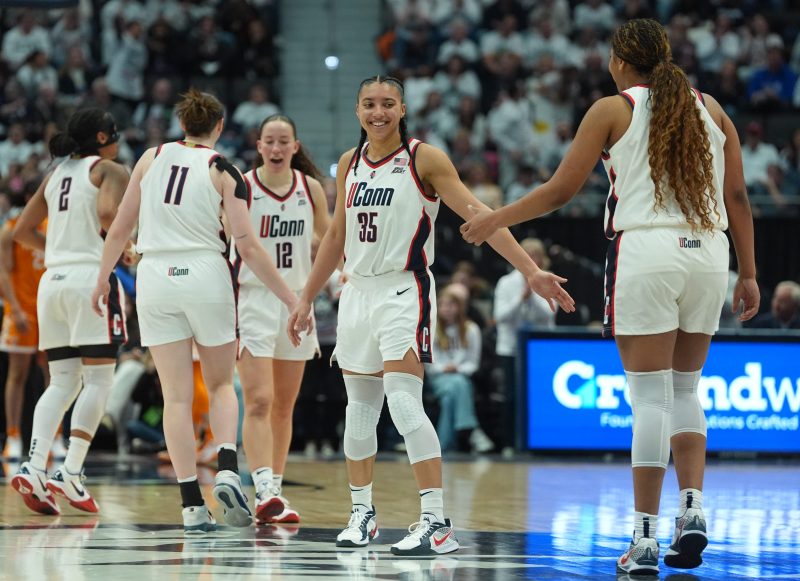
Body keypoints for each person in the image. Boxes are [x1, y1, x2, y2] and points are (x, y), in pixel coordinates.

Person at [461, 19, 760, 576]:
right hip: (709, 252)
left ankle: (644, 539)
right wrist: (749, 273)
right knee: (685, 389)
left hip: (647, 248)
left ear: (620, 61)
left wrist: (495, 218)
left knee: (650, 400)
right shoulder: (712, 107)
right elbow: (738, 195)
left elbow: (561, 190)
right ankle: (692, 509)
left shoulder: (612, 108)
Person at [287, 75, 574, 555]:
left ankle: (436, 521)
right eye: (369, 104)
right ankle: (362, 513)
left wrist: (530, 271)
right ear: (358, 111)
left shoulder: (425, 159)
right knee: (359, 411)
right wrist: (304, 298)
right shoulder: (349, 162)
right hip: (357, 292)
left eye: (388, 104)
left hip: (405, 288)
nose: (378, 112)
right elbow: (336, 236)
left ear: (402, 109)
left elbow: (481, 215)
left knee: (403, 402)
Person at [90, 89, 298, 534]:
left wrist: (103, 279)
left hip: (155, 276)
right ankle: (227, 468)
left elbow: (120, 227)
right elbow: (248, 247)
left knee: (176, 397)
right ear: (219, 126)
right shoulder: (224, 169)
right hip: (204, 272)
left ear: (181, 124)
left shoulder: (150, 158)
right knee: (221, 384)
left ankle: (191, 506)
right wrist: (291, 298)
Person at [10, 108, 130, 515]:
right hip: (89, 279)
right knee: (99, 380)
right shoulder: (109, 170)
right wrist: (124, 247)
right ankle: (71, 471)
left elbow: (21, 231)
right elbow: (109, 215)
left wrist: (61, 250)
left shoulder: (56, 173)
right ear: (102, 138)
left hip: (53, 281)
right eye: (114, 134)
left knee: (62, 382)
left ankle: (34, 466)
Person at [236, 114, 330, 525]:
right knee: (259, 399)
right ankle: (264, 490)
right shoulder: (241, 186)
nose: (276, 148)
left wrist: (342, 277)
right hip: (253, 300)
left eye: (283, 141)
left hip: (297, 305)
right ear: (259, 146)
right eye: (269, 141)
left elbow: (330, 242)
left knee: (283, 406)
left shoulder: (310, 189)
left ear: (295, 146)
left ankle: (274, 489)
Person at [0, 204, 56, 461]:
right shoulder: (10, 229)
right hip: (21, 311)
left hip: (49, 308)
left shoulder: (54, 225)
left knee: (55, 375)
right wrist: (14, 309)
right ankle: (13, 436)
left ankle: (54, 438)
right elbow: (3, 271)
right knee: (17, 374)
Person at [493, 238, 556, 454]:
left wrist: (533, 298)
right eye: (527, 254)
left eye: (536, 255)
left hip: (539, 350)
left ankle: (538, 442)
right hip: (510, 348)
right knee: (511, 396)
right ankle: (510, 443)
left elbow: (549, 314)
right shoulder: (505, 282)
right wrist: (522, 298)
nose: (531, 259)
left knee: (538, 395)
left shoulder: (548, 280)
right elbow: (500, 316)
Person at [427, 284, 493, 453]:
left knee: (449, 397)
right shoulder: (431, 328)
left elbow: (473, 363)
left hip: (461, 376)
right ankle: (472, 429)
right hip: (438, 378)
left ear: (459, 307)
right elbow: (429, 363)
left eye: (451, 305)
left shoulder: (471, 329)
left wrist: (458, 369)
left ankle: (442, 446)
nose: (446, 309)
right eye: (443, 305)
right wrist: (444, 368)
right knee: (458, 385)